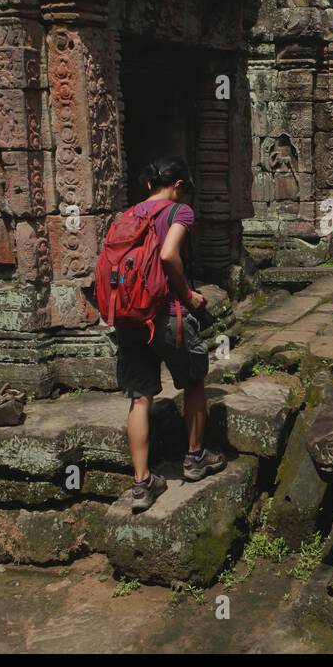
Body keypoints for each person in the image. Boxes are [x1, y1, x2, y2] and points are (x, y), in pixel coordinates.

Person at [114, 156, 225, 513]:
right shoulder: (179, 212)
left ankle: (142, 484)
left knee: (140, 398)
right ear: (177, 185)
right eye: (185, 189)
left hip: (130, 319)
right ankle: (194, 459)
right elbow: (167, 254)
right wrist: (188, 295)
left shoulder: (127, 216)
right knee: (193, 382)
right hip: (167, 315)